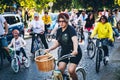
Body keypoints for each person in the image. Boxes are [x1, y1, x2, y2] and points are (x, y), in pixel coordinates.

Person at [45, 13, 82, 80]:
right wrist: (49, 49)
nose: (61, 23)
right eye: (59, 21)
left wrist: (75, 50)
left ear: (67, 21)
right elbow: (57, 43)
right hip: (65, 52)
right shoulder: (59, 30)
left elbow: (75, 40)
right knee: (60, 69)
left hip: (74, 53)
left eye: (63, 21)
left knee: (71, 70)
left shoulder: (71, 29)